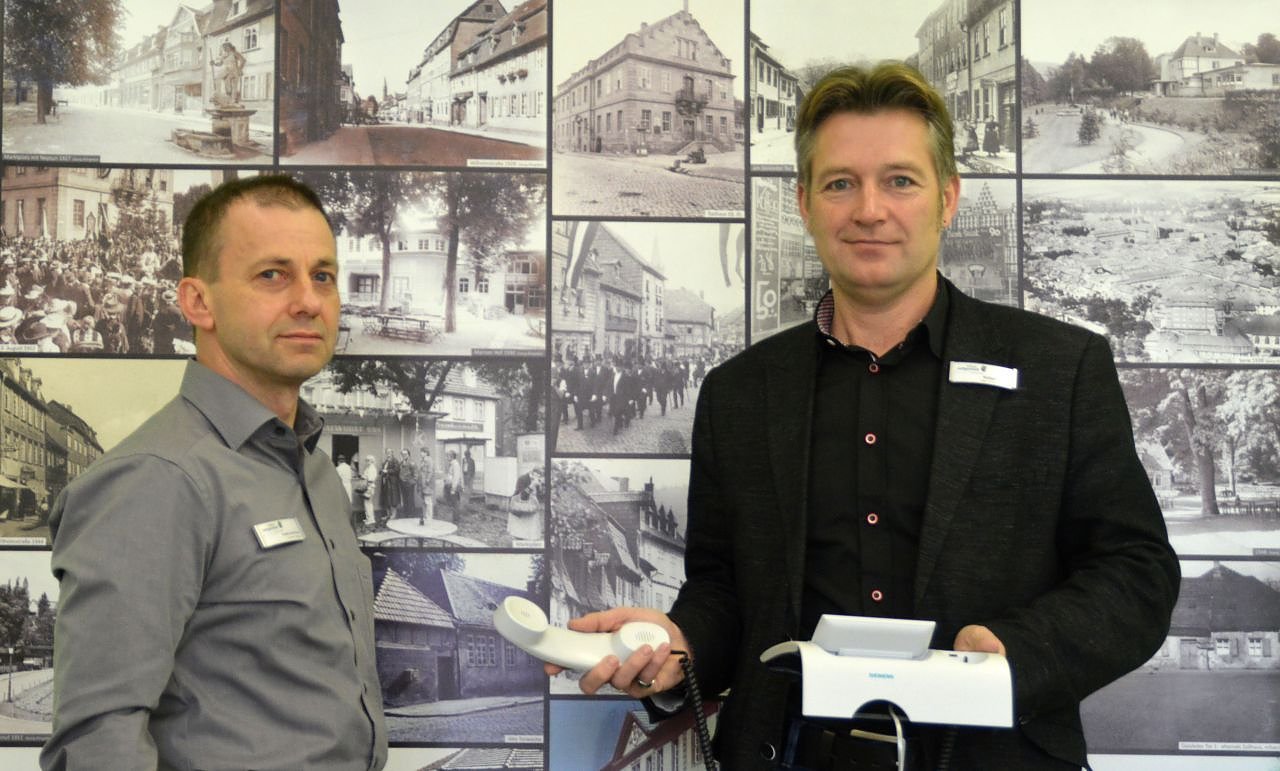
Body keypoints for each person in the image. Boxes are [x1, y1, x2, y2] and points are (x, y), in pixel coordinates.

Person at [555, 63, 1179, 770]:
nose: (869, 209)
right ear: (805, 203)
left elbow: (1138, 573)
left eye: (901, 180)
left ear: (948, 197)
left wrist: (1021, 649)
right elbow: (723, 592)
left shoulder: (1059, 369)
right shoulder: (738, 393)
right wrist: (679, 645)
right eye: (840, 183)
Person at [40, 175, 387, 770]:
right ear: (198, 302)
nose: (309, 301)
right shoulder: (156, 479)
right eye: (272, 275)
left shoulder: (313, 469)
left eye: (323, 276)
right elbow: (98, 742)